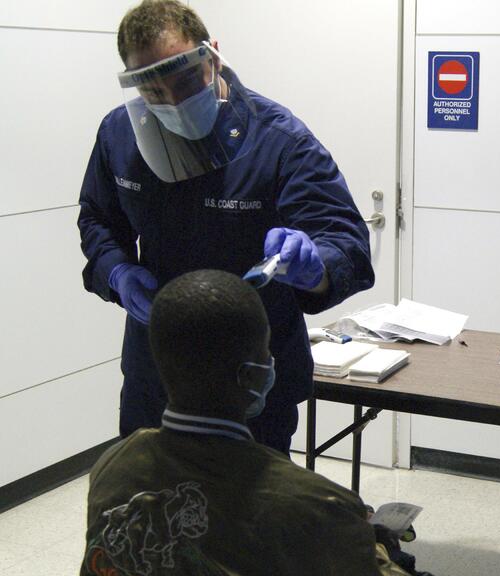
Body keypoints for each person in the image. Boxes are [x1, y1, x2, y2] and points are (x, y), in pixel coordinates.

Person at [80, 270, 465, 576]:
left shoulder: (113, 466)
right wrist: (380, 551)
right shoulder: (312, 504)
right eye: (267, 350)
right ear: (253, 375)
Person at [77, 0, 374, 454]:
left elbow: (344, 238)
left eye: (184, 81)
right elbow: (97, 218)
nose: (173, 101)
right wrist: (117, 271)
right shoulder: (121, 134)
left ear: (212, 55)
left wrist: (318, 268)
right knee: (148, 509)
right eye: (154, 91)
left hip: (252, 377)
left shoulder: (277, 139)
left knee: (248, 517)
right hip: (157, 370)